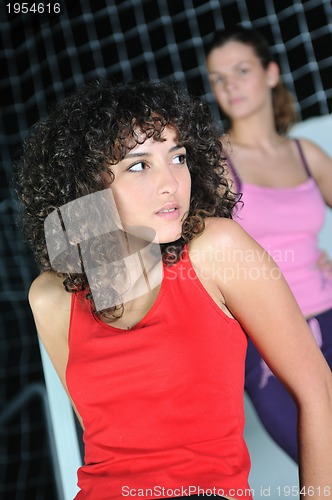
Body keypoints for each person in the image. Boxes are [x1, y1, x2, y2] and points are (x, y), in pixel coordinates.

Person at [14, 79, 332, 500]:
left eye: (177, 158)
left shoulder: (217, 250)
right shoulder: (50, 296)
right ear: (87, 184)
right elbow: (106, 442)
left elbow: (317, 391)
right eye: (139, 165)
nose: (170, 182)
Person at [205, 25, 332, 462]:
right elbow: (195, 254)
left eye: (241, 70)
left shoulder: (304, 153)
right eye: (218, 78)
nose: (230, 85)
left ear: (272, 73)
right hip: (268, 342)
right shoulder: (213, 162)